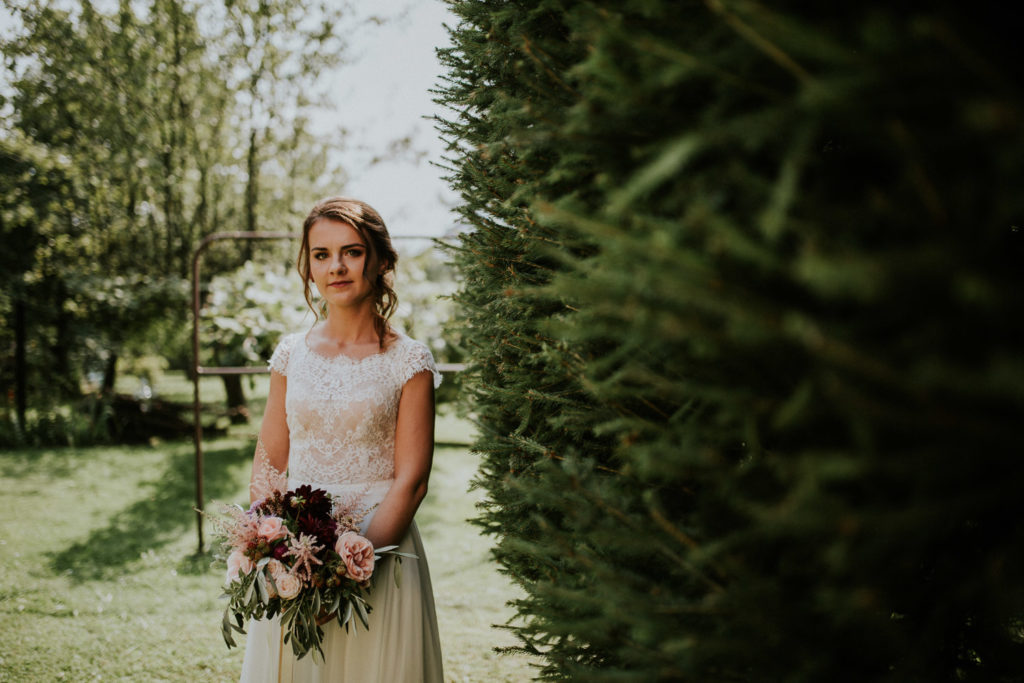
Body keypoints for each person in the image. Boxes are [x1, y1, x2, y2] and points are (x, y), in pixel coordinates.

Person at [239, 197, 444, 682]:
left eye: (351, 251)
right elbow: (268, 464)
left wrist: (347, 573)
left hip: (380, 554)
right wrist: (272, 552)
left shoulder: (408, 361)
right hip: (295, 556)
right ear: (308, 267)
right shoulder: (290, 354)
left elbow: (412, 481)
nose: (336, 266)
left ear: (380, 260)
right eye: (321, 254)